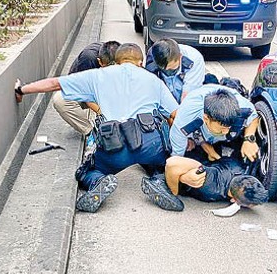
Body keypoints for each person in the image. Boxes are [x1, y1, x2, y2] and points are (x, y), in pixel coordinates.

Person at [14, 43, 182, 213]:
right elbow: (176, 114)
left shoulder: (98, 76)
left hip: (115, 146)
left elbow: (54, 84)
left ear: (116, 62)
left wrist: (22, 89)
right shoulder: (154, 80)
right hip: (150, 142)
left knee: (86, 171)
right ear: (140, 63)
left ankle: (98, 181)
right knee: (163, 164)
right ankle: (159, 180)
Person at [167, 85, 260, 166]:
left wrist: (249, 139)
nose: (226, 131)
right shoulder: (185, 121)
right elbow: (176, 160)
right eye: (222, 128)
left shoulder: (242, 107)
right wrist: (205, 147)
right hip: (197, 127)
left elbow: (254, 117)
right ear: (206, 118)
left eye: (228, 127)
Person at [52, 41, 120, 137]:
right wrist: (103, 113)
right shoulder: (88, 60)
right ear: (99, 62)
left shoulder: (124, 57)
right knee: (60, 100)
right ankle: (93, 134)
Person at [164, 156, 268, 208]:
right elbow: (172, 163)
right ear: (235, 201)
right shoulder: (210, 184)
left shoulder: (242, 167)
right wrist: (173, 193)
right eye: (252, 205)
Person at [145, 38, 205, 103]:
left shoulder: (195, 59)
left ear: (180, 56)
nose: (168, 70)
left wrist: (181, 111)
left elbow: (188, 95)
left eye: (172, 67)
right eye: (164, 69)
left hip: (185, 97)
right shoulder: (154, 55)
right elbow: (150, 88)